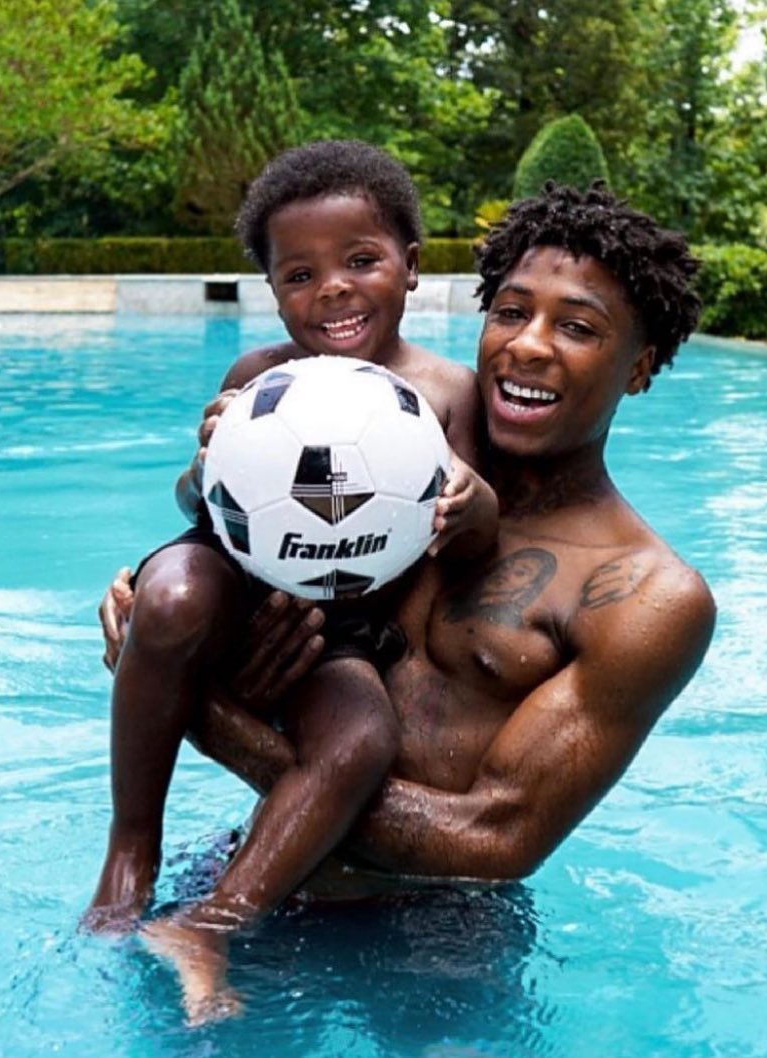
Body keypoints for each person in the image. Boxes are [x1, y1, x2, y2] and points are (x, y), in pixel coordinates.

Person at [100, 181, 717, 1025]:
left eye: (576, 327)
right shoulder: (370, 463)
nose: (528, 347)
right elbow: (224, 548)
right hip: (253, 870)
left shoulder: (647, 595)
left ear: (639, 369)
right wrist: (159, 634)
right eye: (510, 313)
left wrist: (210, 718)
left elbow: (493, 843)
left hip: (435, 942)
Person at [84, 140, 498, 944]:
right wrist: (208, 460)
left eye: (361, 260)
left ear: (410, 266)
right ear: (272, 292)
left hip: (336, 621)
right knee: (168, 600)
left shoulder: (448, 393)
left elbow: (472, 551)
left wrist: (474, 507)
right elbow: (196, 504)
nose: (333, 288)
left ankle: (214, 919)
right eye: (299, 275)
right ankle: (131, 845)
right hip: (226, 574)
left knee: (361, 738)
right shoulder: (260, 373)